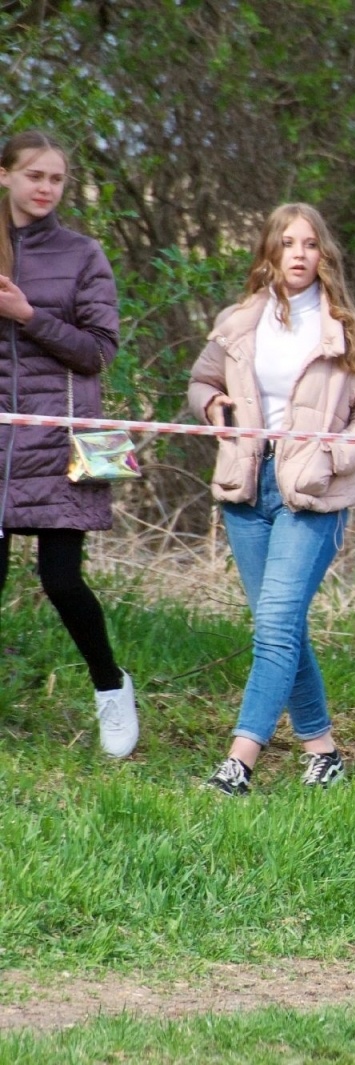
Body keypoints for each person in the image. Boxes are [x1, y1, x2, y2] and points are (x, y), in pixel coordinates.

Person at [188, 203, 355, 795]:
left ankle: (238, 763)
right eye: (287, 243)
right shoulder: (239, 323)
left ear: (323, 255)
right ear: (269, 254)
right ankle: (323, 752)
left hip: (312, 498)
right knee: (281, 627)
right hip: (246, 491)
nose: (299, 253)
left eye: (309, 243)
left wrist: (333, 457)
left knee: (275, 628)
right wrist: (213, 408)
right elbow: (202, 382)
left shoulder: (347, 332)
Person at [0, 130, 138, 758]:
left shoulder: (83, 254)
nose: (45, 189)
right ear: (6, 176)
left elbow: (99, 351)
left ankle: (111, 687)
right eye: (35, 176)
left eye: (56, 179)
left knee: (61, 580)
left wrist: (30, 316)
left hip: (61, 442)